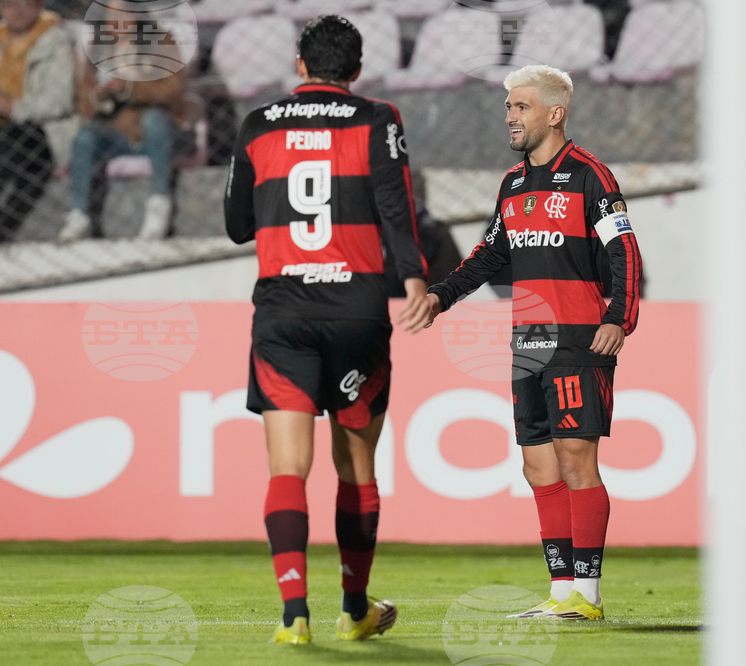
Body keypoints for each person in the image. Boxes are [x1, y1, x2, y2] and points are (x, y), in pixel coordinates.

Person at [224, 15, 430, 645]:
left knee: (288, 466)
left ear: (299, 65)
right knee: (356, 466)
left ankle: (294, 617)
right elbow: (395, 203)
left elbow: (236, 223)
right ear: (358, 70)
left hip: (283, 314)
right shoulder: (377, 117)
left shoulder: (258, 123)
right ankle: (355, 608)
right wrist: (415, 278)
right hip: (357, 312)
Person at [421, 65, 642, 621]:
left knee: (575, 459)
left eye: (520, 107)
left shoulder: (592, 177)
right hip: (528, 341)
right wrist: (441, 295)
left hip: (578, 338)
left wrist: (619, 316)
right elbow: (492, 254)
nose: (510, 116)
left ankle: (587, 597)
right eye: (509, 107)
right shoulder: (512, 183)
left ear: (554, 113)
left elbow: (625, 253)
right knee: (538, 466)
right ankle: (561, 591)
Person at [58, 5, 184, 242]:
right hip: (113, 131)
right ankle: (79, 214)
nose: (116, 20)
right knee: (85, 137)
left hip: (150, 132)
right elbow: (83, 102)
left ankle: (159, 204)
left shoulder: (160, 42)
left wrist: (128, 88)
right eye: (110, 15)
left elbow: (173, 89)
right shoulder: (99, 47)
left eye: (122, 13)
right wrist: (100, 95)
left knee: (154, 120)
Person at [0, 0, 74, 243]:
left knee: (16, 143)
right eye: (10, 4)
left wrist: (13, 108)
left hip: (44, 129)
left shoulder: (55, 41)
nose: (18, 11)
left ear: (39, 5)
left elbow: (60, 100)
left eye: (26, 3)